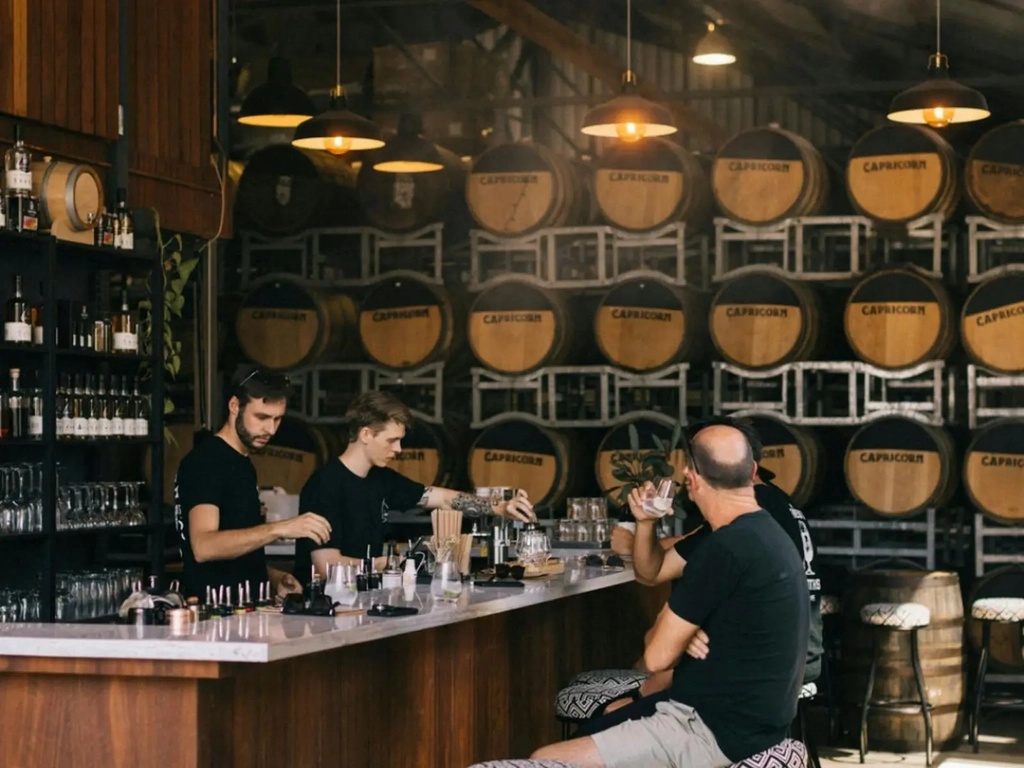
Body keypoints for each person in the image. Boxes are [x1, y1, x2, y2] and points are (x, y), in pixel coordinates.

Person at [532, 424, 809, 768]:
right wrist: (645, 523)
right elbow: (655, 574)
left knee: (543, 760)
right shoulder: (765, 531)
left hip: (704, 728)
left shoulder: (725, 547)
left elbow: (656, 657)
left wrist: (676, 630)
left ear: (690, 479)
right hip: (752, 725)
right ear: (753, 471)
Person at [294, 391, 536, 581]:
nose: (398, 450)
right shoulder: (324, 486)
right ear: (366, 434)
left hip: (365, 601)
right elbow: (326, 565)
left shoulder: (383, 479)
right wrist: (384, 564)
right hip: (324, 609)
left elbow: (441, 498)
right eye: (392, 440)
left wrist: (499, 507)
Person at [173, 368, 334, 602]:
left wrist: (272, 577)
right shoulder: (206, 461)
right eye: (261, 417)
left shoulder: (242, 463)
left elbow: (237, 549)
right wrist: (280, 528)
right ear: (234, 406)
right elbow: (204, 547)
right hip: (215, 616)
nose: (270, 429)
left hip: (244, 611)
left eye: (277, 418)